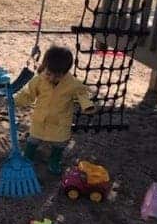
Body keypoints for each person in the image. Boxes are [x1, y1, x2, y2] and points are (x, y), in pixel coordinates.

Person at [15, 45, 96, 175]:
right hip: (40, 119)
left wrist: (87, 105)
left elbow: (82, 94)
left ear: (65, 72)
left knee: (59, 143)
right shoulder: (39, 80)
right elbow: (28, 94)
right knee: (33, 139)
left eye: (57, 76)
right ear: (45, 67)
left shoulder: (73, 84)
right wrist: (16, 101)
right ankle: (28, 157)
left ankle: (54, 160)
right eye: (49, 73)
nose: (52, 78)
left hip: (60, 121)